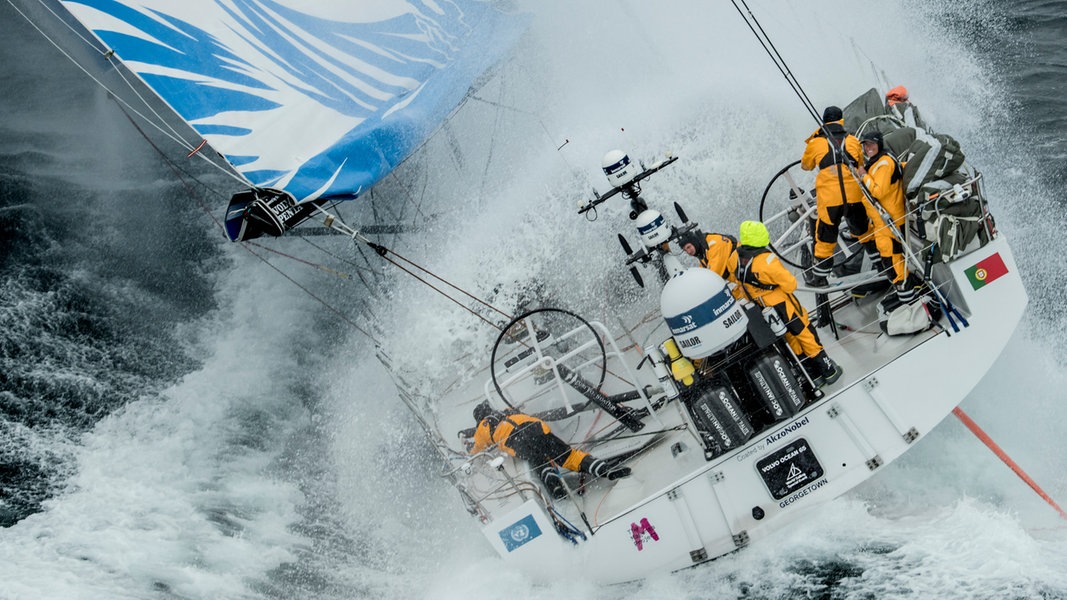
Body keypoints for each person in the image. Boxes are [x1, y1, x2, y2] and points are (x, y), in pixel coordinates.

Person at [735, 221, 843, 387]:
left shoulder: (736, 260)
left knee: (792, 340)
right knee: (806, 334)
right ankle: (829, 371)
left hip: (765, 310)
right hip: (783, 305)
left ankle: (813, 376)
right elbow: (790, 284)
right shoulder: (767, 260)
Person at [469, 402, 631, 500]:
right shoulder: (506, 411)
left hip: (518, 442)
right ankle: (604, 470)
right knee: (568, 456)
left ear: (478, 419)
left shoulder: (481, 430)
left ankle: (555, 488)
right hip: (536, 428)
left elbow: (477, 451)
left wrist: (470, 451)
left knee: (538, 460)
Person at [801, 106, 870, 287]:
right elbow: (860, 163)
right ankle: (882, 264)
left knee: (825, 237)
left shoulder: (815, 143)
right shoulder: (853, 140)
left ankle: (820, 279)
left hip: (830, 200)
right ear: (841, 120)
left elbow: (806, 166)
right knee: (865, 231)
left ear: (824, 122)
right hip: (854, 195)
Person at [856, 130, 921, 303]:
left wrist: (863, 175)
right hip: (881, 222)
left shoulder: (884, 163)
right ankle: (906, 293)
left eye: (871, 144)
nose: (868, 148)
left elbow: (878, 191)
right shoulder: (877, 162)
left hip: (890, 220)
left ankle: (909, 300)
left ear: (879, 144)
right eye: (865, 145)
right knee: (891, 260)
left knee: (893, 261)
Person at [679, 228, 742, 298]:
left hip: (751, 275)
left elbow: (712, 276)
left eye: (688, 247)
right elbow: (702, 275)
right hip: (742, 281)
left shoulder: (714, 244)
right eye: (685, 250)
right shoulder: (703, 251)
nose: (688, 252)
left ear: (694, 242)